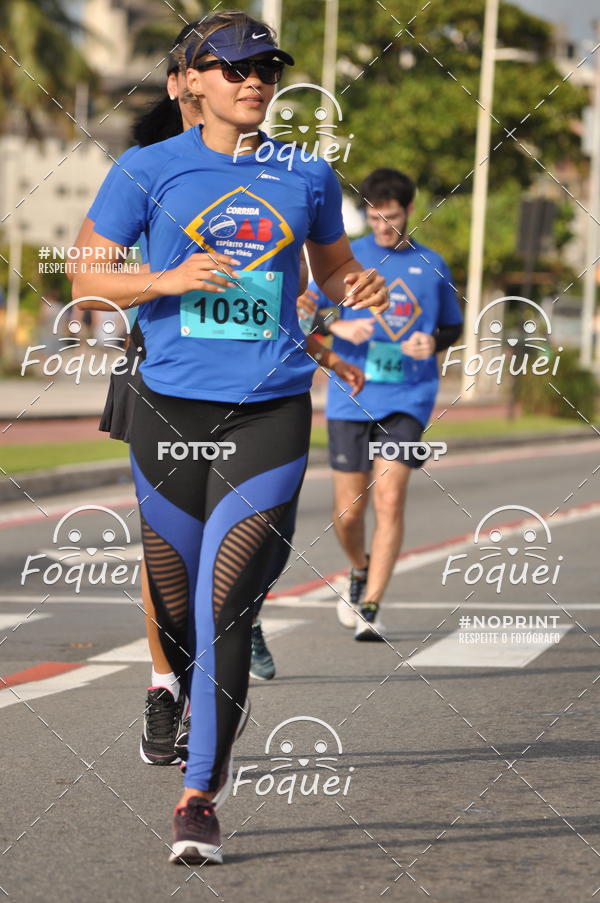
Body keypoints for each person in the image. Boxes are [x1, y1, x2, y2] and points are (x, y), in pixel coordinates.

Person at [72, 9, 387, 864]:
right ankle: (172, 688)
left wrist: (358, 294)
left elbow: (331, 274)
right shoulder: (148, 171)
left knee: (224, 604)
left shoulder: (307, 175)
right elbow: (85, 274)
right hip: (168, 410)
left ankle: (198, 796)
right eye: (234, 67)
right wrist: (168, 277)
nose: (255, 80)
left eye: (266, 68)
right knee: (174, 603)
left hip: (269, 409)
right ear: (190, 82)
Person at [304, 168, 462, 641]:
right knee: (349, 513)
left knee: (390, 500)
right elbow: (302, 311)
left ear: (409, 211)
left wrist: (430, 342)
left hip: (408, 398)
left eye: (391, 218)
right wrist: (336, 330)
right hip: (351, 396)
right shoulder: (344, 256)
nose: (383, 227)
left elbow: (453, 327)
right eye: (375, 218)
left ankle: (371, 605)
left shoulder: (432, 264)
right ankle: (358, 567)